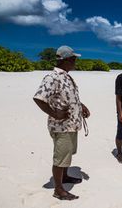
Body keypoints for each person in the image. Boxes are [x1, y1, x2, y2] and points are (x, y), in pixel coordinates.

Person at [33, 45, 90, 200]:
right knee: (60, 157)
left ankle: (64, 177)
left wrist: (81, 106)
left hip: (72, 124)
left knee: (67, 154)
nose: (75, 62)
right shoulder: (52, 77)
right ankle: (58, 189)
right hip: (62, 126)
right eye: (72, 59)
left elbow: (70, 97)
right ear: (64, 60)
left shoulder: (67, 76)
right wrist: (54, 113)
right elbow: (38, 98)